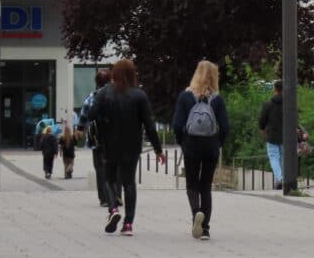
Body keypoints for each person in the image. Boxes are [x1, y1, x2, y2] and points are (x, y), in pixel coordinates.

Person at [88, 59, 165, 237]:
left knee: (109, 178)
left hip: (109, 144)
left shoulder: (104, 92)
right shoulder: (139, 95)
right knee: (129, 182)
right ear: (132, 74)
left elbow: (91, 114)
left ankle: (113, 209)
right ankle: (128, 224)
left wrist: (103, 118)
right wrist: (158, 149)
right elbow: (150, 125)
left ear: (114, 73)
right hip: (132, 145)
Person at [172, 60, 230, 241]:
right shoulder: (217, 99)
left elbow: (177, 125)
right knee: (206, 187)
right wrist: (217, 144)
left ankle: (196, 212)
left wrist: (183, 142)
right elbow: (226, 127)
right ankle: (205, 229)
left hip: (191, 145)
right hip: (210, 146)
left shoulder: (185, 97)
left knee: (191, 185)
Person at [79, 69, 122, 207]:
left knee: (100, 168)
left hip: (97, 139)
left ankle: (104, 198)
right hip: (116, 138)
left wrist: (80, 129)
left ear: (96, 82)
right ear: (110, 80)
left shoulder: (92, 96)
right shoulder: (118, 95)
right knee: (116, 167)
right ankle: (117, 196)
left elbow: (84, 115)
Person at [258, 80, 285, 189]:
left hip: (272, 135)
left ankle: (280, 179)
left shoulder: (268, 105)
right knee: (283, 157)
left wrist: (262, 128)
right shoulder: (289, 104)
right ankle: (284, 178)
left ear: (274, 89)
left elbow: (262, 120)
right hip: (285, 136)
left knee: (274, 157)